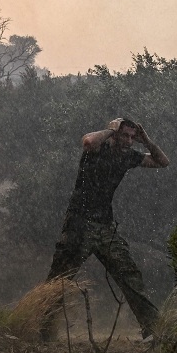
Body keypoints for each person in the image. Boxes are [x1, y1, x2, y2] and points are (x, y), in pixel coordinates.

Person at [45, 117, 169, 339]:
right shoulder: (97, 149)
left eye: (133, 137)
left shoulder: (128, 157)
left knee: (129, 273)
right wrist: (111, 130)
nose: (130, 141)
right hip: (79, 223)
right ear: (115, 134)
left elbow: (162, 162)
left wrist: (147, 141)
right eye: (125, 135)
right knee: (61, 278)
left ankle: (153, 328)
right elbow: (88, 141)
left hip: (105, 226)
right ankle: (42, 329)